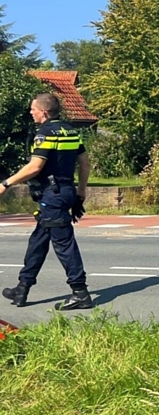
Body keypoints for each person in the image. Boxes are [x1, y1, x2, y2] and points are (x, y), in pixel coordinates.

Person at [0, 93, 93, 310]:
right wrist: (80, 192)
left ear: (43, 111)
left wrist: (6, 184)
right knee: (38, 242)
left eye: (33, 109)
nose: (31, 112)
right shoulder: (71, 131)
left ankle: (80, 293)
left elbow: (35, 167)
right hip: (65, 191)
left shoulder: (45, 133)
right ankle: (22, 288)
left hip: (53, 196)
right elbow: (85, 164)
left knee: (64, 244)